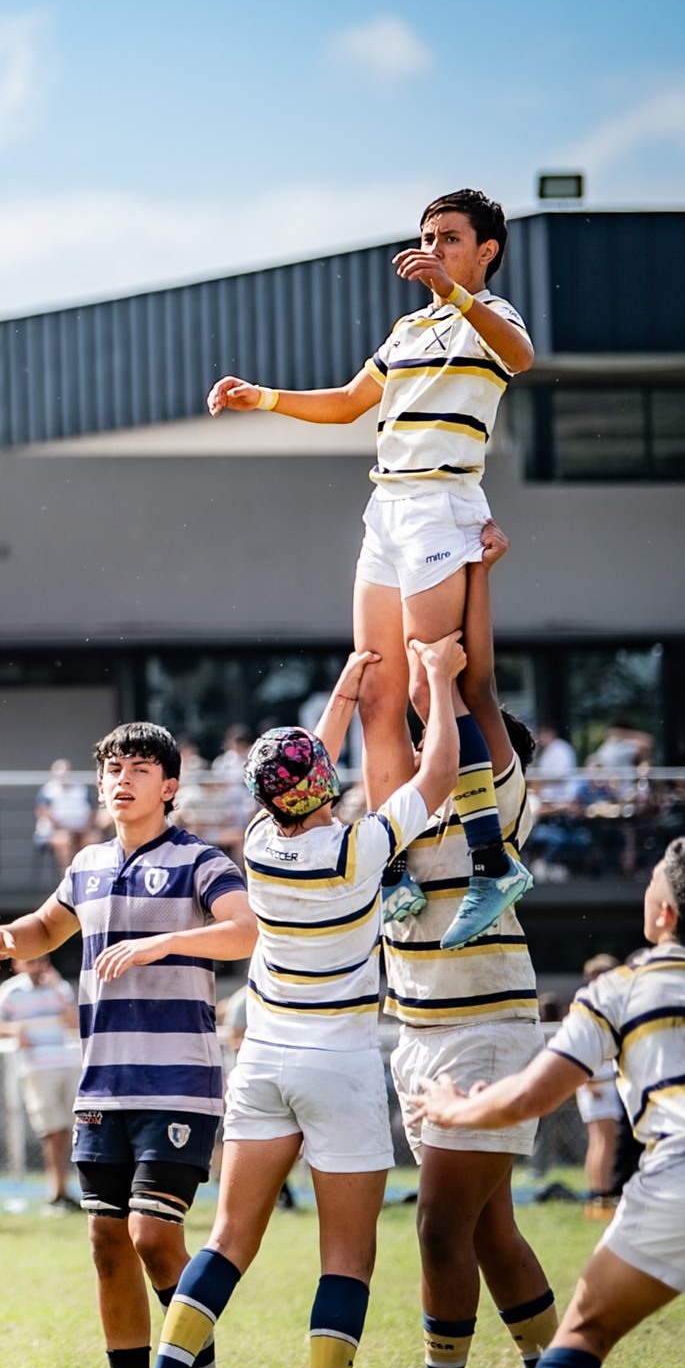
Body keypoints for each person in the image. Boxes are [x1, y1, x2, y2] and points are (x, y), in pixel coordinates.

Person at [123, 637, 464, 1368]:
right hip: (339, 1063)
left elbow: (305, 770)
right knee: (345, 1255)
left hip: (264, 1058)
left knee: (227, 1240)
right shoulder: (359, 847)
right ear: (323, 784)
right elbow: (440, 774)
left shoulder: (259, 842)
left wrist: (344, 693)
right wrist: (439, 681)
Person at [209, 189, 535, 950]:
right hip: (385, 509)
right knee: (377, 692)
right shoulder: (408, 327)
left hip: (441, 503)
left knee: (433, 685)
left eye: (449, 237)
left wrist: (454, 291)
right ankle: (391, 871)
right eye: (427, 236)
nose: (433, 248)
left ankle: (492, 860)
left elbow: (521, 357)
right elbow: (351, 401)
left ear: (486, 250)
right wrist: (263, 397)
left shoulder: (492, 315)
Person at [407, 837, 685, 1368]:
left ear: (664, 913)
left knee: (582, 1333)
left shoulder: (621, 987)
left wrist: (453, 1108)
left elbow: (530, 1096)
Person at [0, 721, 254, 1368]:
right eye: (112, 771)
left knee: (153, 1235)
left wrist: (164, 943)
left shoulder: (200, 860)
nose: (121, 780)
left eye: (138, 769)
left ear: (170, 785)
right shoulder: (88, 864)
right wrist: (5, 937)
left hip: (178, 1082)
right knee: (107, 1242)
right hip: (102, 1086)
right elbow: (46, 928)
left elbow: (246, 931)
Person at [381, 526, 565, 1368]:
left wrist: (476, 576)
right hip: (419, 1032)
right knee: (490, 1230)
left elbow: (478, 688)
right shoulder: (410, 811)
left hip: (484, 1030)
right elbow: (397, 712)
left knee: (438, 1225)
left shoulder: (502, 799)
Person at [0, 952, 81, 1209]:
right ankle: (57, 1192)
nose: (37, 966)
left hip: (70, 1065)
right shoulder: (9, 991)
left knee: (74, 1130)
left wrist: (58, 990)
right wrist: (14, 1030)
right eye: (31, 961)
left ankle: (68, 1191)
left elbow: (74, 1024)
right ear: (17, 965)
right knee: (52, 1131)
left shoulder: (59, 987)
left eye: (41, 961)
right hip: (37, 1068)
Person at [574, 953, 626, 1218]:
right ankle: (602, 1197)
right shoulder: (594, 1002)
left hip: (593, 1081)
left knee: (598, 1142)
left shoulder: (587, 1000)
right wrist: (587, 1082)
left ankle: (597, 1196)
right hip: (598, 1082)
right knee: (605, 1142)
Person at [37, 758, 98, 875]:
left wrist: (86, 826)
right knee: (63, 840)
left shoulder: (81, 789)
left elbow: (92, 811)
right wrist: (64, 827)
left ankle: (90, 876)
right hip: (57, 831)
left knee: (93, 839)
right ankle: (68, 877)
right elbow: (44, 812)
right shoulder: (47, 791)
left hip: (82, 830)